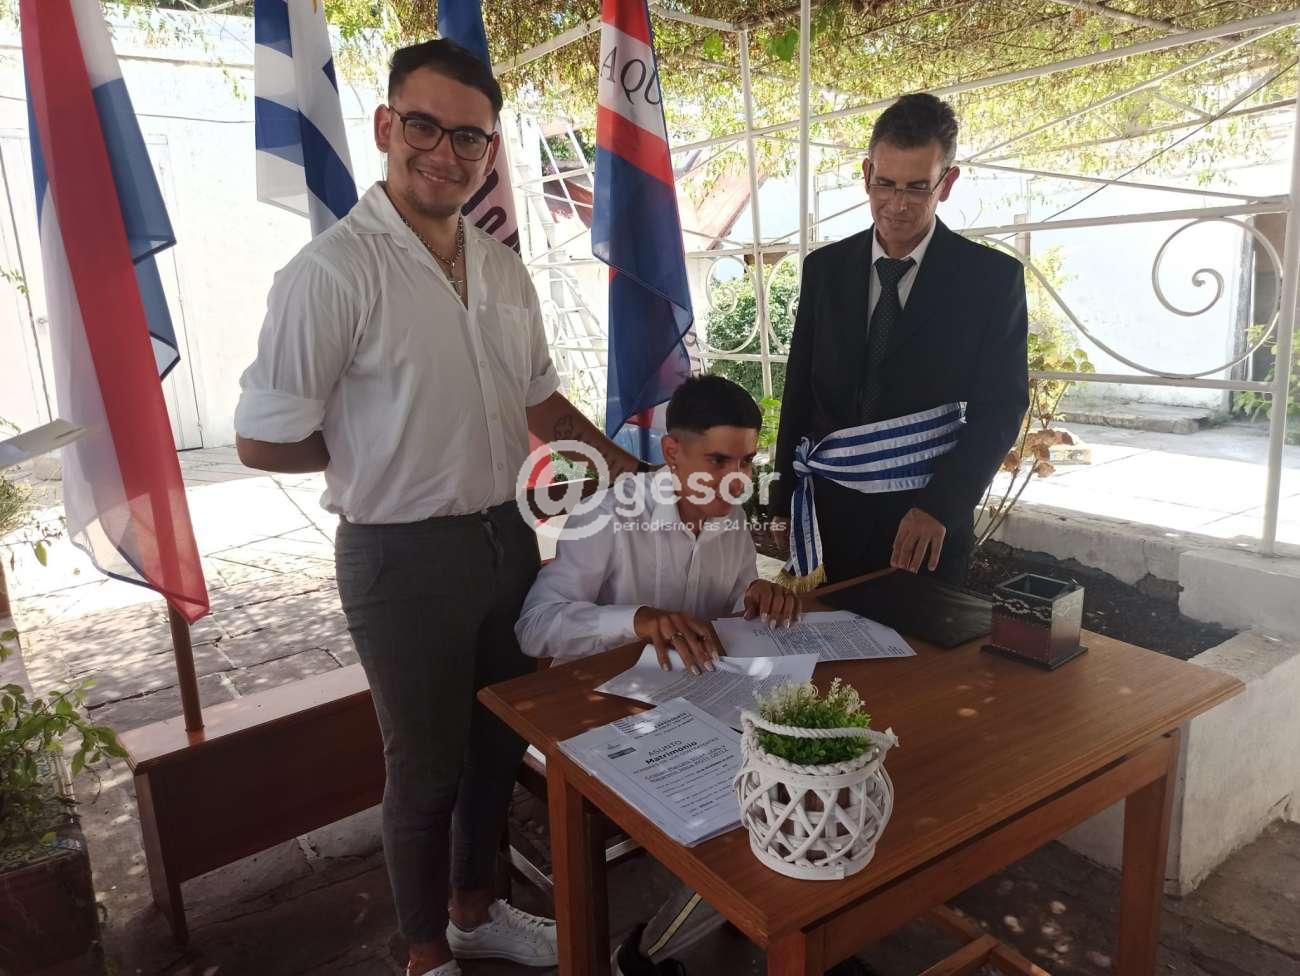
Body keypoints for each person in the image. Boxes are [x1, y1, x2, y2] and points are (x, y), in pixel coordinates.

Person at [234, 39, 645, 976]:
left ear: (490, 151)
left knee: (499, 740)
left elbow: (541, 403)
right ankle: (427, 955)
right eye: (424, 126)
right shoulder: (331, 272)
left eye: (469, 137)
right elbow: (262, 438)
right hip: (400, 557)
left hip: (508, 539)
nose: (445, 152)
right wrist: (373, 451)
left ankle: (474, 912)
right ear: (387, 126)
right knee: (424, 770)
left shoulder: (502, 269)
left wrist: (635, 475)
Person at [516, 375, 800, 974]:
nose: (737, 479)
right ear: (672, 452)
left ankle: (736, 919)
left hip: (692, 702)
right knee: (750, 803)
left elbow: (729, 605)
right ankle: (649, 953)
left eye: (747, 461)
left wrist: (755, 596)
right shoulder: (609, 515)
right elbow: (535, 628)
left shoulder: (728, 518)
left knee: (784, 774)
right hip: (601, 716)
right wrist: (637, 619)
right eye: (718, 460)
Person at [772, 93, 1029, 588]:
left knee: (920, 639)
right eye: (885, 184)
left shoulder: (990, 281)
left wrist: (941, 506)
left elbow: (1001, 408)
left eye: (917, 188)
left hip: (923, 522)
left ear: (947, 182)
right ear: (866, 173)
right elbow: (800, 387)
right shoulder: (824, 270)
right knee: (823, 633)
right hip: (828, 515)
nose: (897, 204)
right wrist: (783, 499)